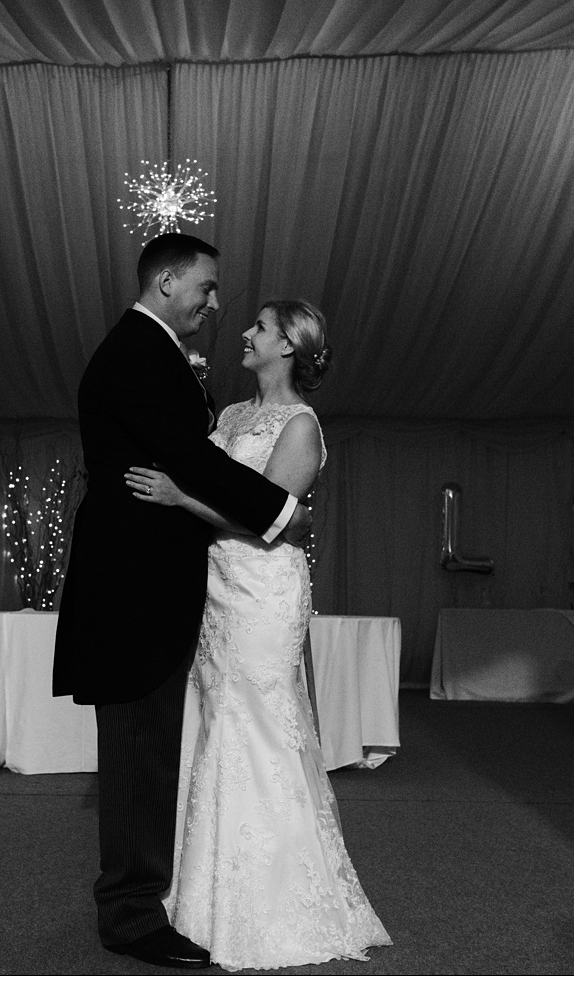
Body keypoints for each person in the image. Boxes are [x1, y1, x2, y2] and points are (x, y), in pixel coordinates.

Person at [53, 233, 311, 969]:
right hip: (135, 594)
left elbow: (188, 460)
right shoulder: (138, 352)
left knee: (149, 750)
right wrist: (284, 514)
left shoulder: (149, 349)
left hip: (146, 588)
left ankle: (140, 896)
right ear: (167, 281)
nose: (217, 301)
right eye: (208, 285)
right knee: (138, 752)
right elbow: (192, 460)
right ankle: (131, 913)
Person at [124, 299, 392, 971]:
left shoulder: (301, 425)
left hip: (263, 591)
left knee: (260, 727)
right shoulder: (232, 416)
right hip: (214, 587)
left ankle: (270, 904)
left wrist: (180, 500)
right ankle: (203, 896)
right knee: (216, 723)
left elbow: (265, 516)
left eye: (261, 328)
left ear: (290, 347)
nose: (246, 331)